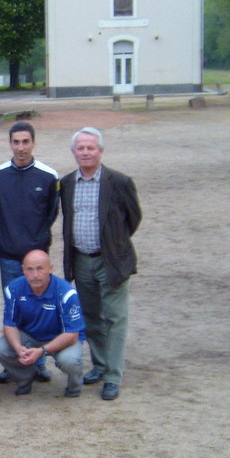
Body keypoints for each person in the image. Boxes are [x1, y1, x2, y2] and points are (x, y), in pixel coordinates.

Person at [60, 126, 142, 401]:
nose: (85, 152)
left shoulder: (119, 182)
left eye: (91, 148)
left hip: (111, 261)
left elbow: (134, 218)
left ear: (101, 151)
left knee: (115, 319)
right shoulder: (67, 183)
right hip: (81, 260)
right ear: (73, 152)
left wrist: (113, 244)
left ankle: (113, 377)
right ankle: (99, 364)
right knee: (91, 317)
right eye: (80, 148)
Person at [0, 121, 59, 384]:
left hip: (37, 259)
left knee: (39, 310)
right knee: (13, 309)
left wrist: (37, 245)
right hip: (8, 256)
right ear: (10, 144)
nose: (20, 147)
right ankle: (14, 362)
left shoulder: (48, 176)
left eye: (25, 142)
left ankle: (38, 362)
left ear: (33, 143)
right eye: (15, 142)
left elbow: (51, 214)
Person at [0, 250, 85, 398]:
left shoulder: (67, 293)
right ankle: (26, 378)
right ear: (23, 270)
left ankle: (74, 387)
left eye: (40, 268)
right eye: (30, 269)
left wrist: (42, 351)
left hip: (61, 337)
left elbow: (72, 334)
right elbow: (10, 324)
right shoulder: (13, 289)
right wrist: (18, 348)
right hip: (30, 335)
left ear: (50, 268)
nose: (35, 274)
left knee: (70, 360)